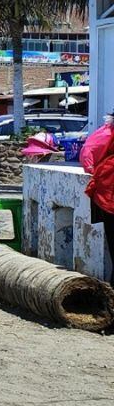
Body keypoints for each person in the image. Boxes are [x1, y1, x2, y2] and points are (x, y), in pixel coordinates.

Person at [81, 110, 114, 280]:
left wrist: (92, 169)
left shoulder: (107, 132)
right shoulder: (108, 132)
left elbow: (88, 153)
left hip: (106, 190)